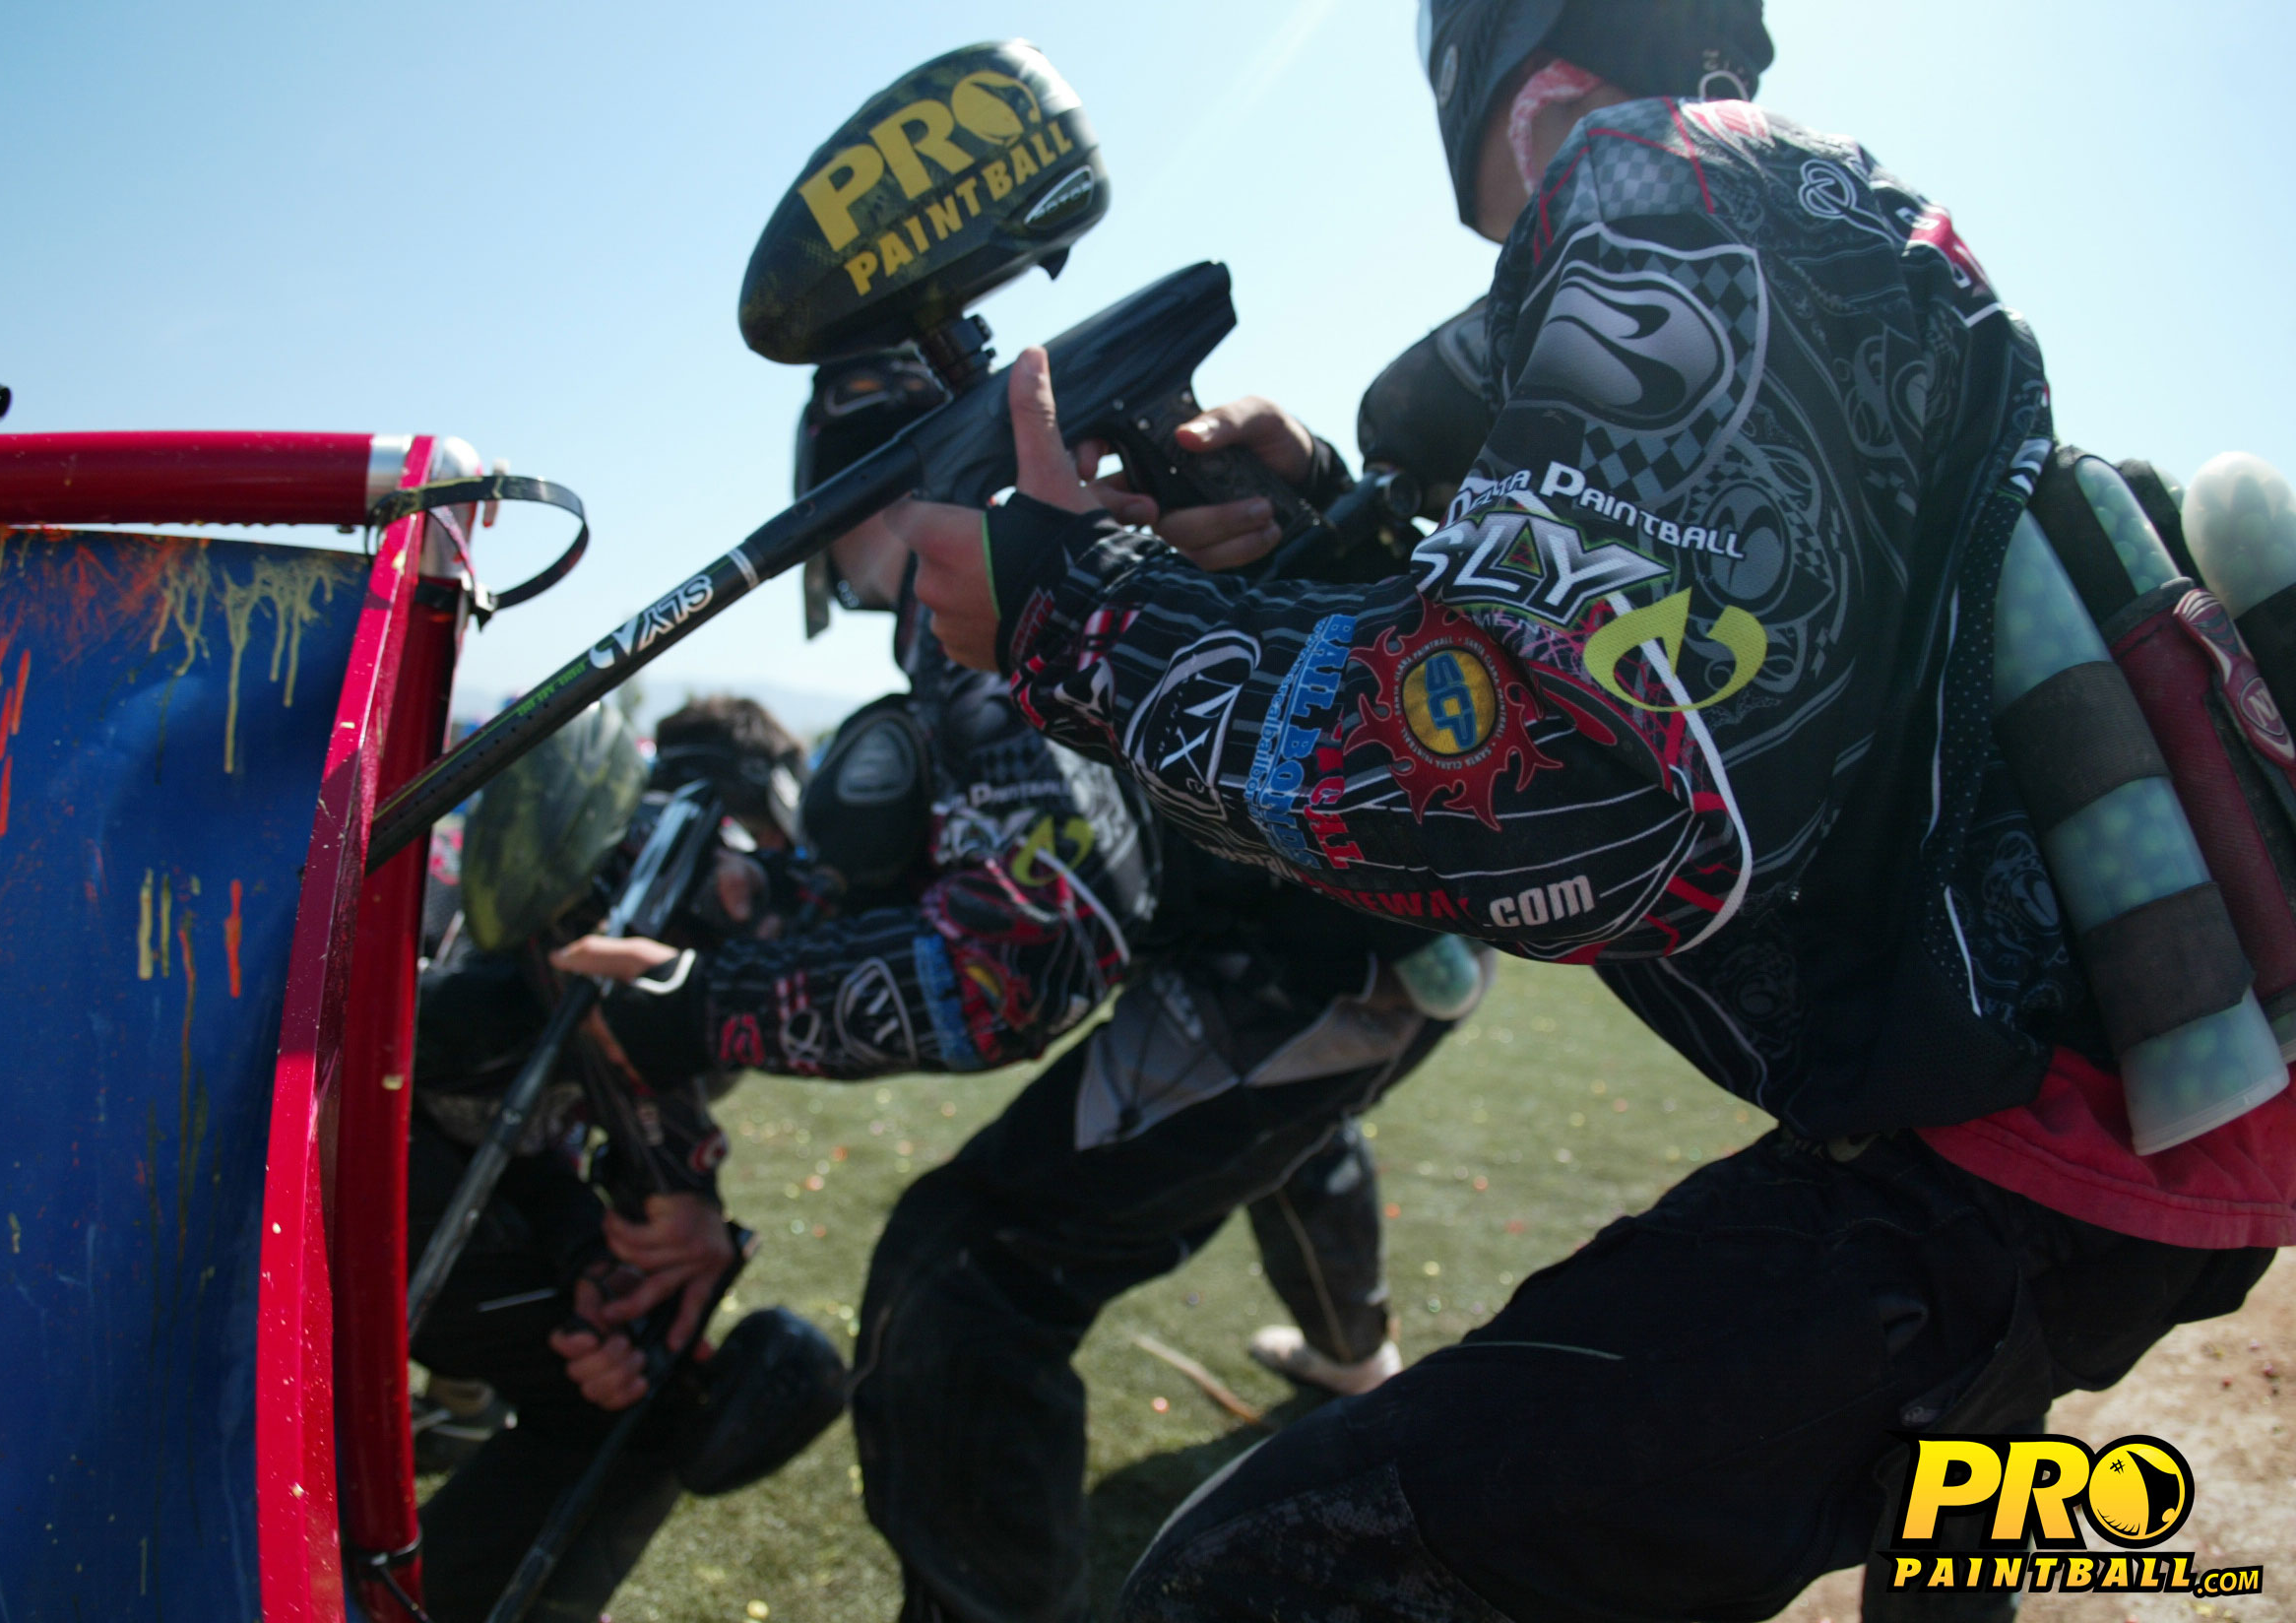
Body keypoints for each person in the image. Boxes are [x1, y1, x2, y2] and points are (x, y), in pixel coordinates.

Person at [869, 2, 2291, 1617]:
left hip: (2009, 1153)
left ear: (1505, 69)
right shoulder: (1819, 212)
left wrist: (1074, 620)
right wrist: (1324, 527)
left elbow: (1588, 785)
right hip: (2133, 1110)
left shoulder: (1653, 177)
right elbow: (1721, 655)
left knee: (1258, 1581)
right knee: (1937, 1480)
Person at [553, 349, 1494, 1623]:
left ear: (844, 508)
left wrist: (702, 1009)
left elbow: (1025, 958)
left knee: (967, 1267)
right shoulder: (1040, 545)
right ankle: (1352, 1349)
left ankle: (1340, 1358)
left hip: (1325, 958)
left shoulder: (969, 590)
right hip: (1380, 922)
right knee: (1272, 1125)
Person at [407, 694, 843, 1623]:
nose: (750, 882)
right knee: (648, 1395)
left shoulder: (585, 871)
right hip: (340, 1188)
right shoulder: (628, 877)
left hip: (410, 1180)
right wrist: (674, 1190)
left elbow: (530, 1145)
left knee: (635, 1374)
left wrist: (588, 1256)